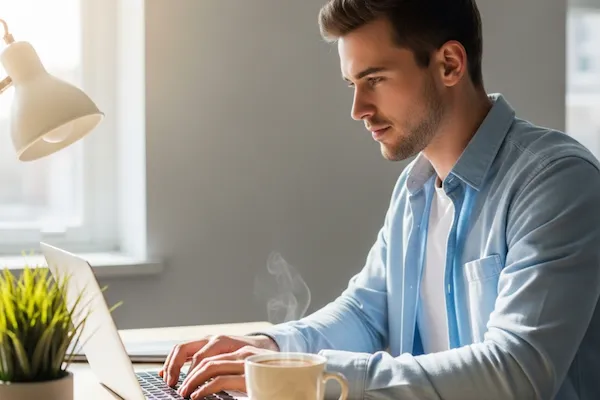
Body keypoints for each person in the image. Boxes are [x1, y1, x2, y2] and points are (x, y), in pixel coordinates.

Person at [160, 0, 600, 399]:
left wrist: (317, 375)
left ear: (449, 64)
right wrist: (273, 349)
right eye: (353, 82)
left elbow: (517, 372)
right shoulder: (417, 187)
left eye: (375, 80)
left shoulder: (556, 183)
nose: (358, 107)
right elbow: (368, 314)